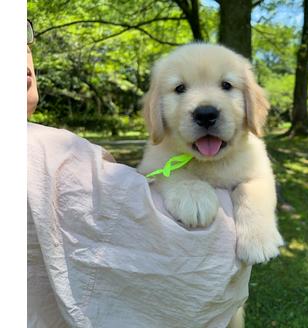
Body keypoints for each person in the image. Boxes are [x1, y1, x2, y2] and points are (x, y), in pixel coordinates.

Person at [27, 20, 250, 328]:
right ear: (156, 110)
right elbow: (205, 249)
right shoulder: (42, 152)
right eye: (180, 88)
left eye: (23, 31)